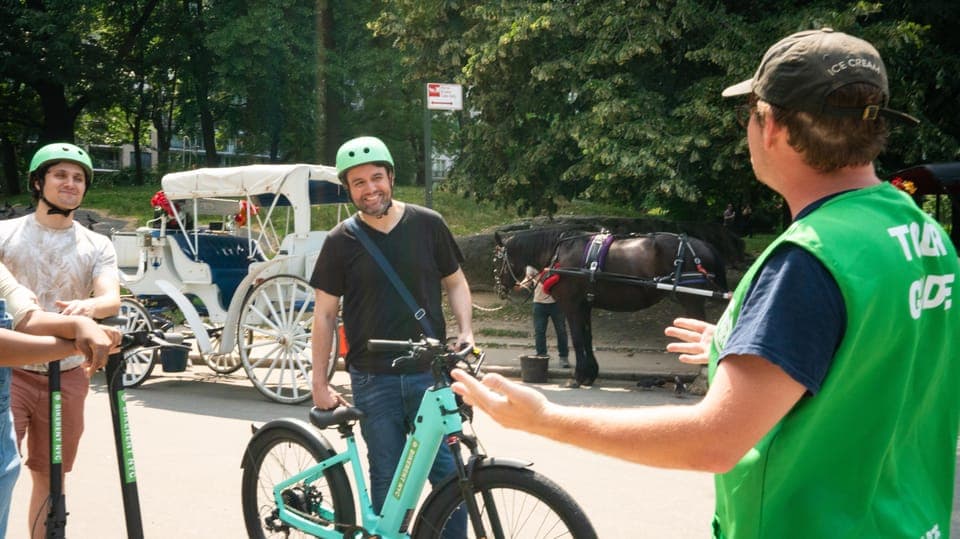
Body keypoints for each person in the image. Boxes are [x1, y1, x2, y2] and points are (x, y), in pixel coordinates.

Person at [451, 28, 959, 538]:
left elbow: (714, 441)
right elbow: (873, 355)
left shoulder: (809, 260)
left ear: (771, 125)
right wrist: (748, 341)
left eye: (748, 115)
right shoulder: (923, 235)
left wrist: (546, 418)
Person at [309, 136, 475, 520]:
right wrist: (319, 381)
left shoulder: (428, 224)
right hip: (373, 380)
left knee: (451, 479)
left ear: (391, 178)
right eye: (358, 183)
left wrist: (466, 330)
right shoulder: (340, 241)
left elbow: (455, 282)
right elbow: (324, 315)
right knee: (388, 479)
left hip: (429, 375)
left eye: (376, 178)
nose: (370, 189)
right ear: (348, 189)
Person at [0, 142, 121, 538]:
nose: (71, 183)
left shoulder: (96, 244)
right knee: (2, 472)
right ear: (38, 182)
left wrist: (88, 308)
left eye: (78, 178)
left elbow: (110, 298)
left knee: (51, 476)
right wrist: (81, 327)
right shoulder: (5, 234)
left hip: (67, 371)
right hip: (12, 369)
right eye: (60, 175)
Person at [0, 262, 119, 538]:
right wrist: (76, 344)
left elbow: (27, 319)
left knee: (49, 474)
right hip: (18, 378)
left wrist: (81, 325)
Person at [517, 266, 569, 368]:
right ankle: (541, 357)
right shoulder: (532, 266)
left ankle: (563, 357)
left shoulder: (555, 263)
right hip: (539, 303)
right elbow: (528, 278)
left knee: (561, 331)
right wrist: (521, 285)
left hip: (557, 303)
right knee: (539, 331)